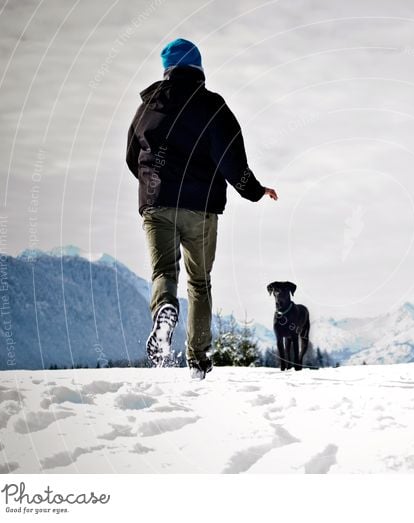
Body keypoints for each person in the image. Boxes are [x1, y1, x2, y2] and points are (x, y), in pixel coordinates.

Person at [126, 38, 277, 380]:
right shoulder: (212, 106)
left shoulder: (146, 109)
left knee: (164, 271)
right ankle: (198, 359)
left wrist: (155, 185)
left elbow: (132, 157)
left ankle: (164, 309)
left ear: (167, 69)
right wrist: (254, 191)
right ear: (198, 68)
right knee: (199, 282)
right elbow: (232, 161)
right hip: (201, 209)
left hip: (157, 205)